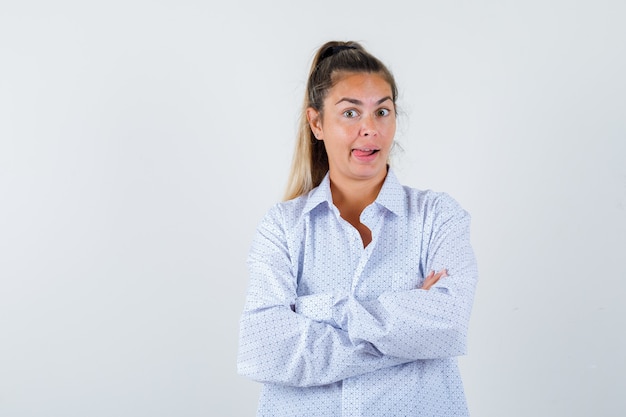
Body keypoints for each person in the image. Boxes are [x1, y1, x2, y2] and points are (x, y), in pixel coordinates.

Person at [237, 40, 478, 416]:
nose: (370, 129)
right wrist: (407, 332)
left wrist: (318, 309)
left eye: (382, 111)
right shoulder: (282, 228)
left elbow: (446, 325)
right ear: (317, 122)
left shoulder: (438, 217)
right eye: (350, 113)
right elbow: (263, 351)